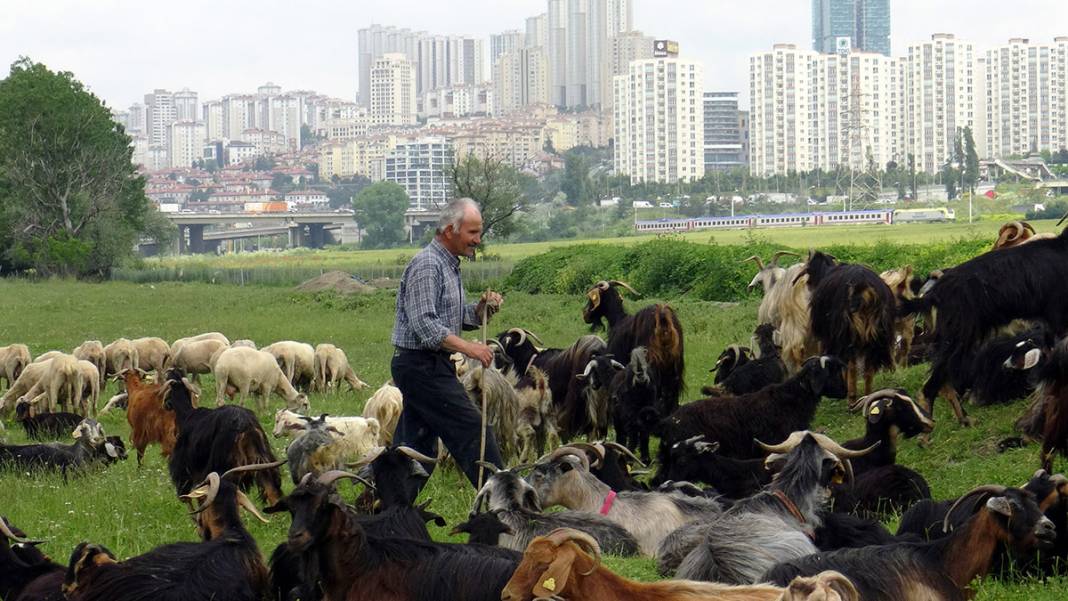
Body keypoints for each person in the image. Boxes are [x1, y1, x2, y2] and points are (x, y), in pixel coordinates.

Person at [390, 197, 505, 489]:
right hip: (421, 367)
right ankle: (503, 506)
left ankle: (384, 511)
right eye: (472, 233)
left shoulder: (449, 265)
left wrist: (482, 309)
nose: (478, 240)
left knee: (415, 450)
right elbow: (425, 325)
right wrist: (470, 348)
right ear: (449, 230)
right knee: (474, 433)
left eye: (479, 233)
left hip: (428, 365)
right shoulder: (428, 265)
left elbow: (455, 317)